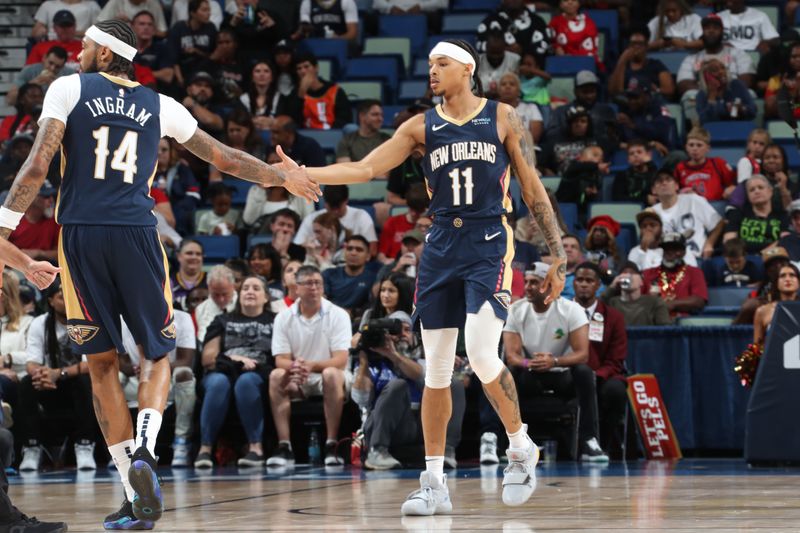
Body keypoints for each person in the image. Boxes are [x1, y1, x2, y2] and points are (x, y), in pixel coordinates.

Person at [0, 19, 318, 530]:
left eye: (85, 47)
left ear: (105, 54)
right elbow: (225, 157)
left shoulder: (67, 87)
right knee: (157, 354)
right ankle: (146, 448)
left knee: (101, 364)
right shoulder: (161, 105)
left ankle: (132, 486)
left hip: (79, 237)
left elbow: (38, 164)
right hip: (137, 235)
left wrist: (3, 229)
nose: (78, 54)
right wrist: (282, 176)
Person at [278, 38, 567, 514]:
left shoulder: (502, 116)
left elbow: (531, 183)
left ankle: (520, 446)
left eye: (442, 63)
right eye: (430, 63)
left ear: (467, 69)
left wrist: (557, 254)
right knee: (435, 367)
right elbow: (367, 166)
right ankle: (433, 481)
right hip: (440, 247)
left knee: (478, 349)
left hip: (489, 240)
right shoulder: (420, 126)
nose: (432, 70)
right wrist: (306, 172)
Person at [502, 263, 608, 462]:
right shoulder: (516, 310)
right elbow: (512, 355)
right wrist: (528, 363)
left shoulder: (571, 310)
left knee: (584, 372)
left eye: (534, 282)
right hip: (531, 372)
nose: (527, 287)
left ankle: (589, 440)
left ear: (549, 285)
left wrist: (555, 361)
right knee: (508, 373)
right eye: (526, 282)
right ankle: (508, 443)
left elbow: (582, 354)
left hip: (562, 373)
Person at [267, 265, 353, 467]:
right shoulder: (283, 317)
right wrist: (297, 366)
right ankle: (284, 446)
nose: (314, 287)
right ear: (297, 288)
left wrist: (312, 365)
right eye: (308, 283)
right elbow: (281, 359)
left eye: (318, 283)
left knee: (331, 374)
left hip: (331, 376)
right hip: (300, 375)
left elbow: (341, 359)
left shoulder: (339, 314)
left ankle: (332, 444)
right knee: (276, 375)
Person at [194, 276, 275, 468]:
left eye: (256, 288)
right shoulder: (222, 320)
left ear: (266, 297)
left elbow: (279, 358)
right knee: (218, 383)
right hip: (221, 372)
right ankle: (204, 450)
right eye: (246, 287)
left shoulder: (276, 321)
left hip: (259, 373)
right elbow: (208, 359)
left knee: (246, 382)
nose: (249, 291)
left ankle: (256, 449)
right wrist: (236, 360)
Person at [18, 279, 97, 472]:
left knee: (84, 380)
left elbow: (92, 364)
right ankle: (32, 446)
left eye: (72, 296)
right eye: (62, 297)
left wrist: (58, 373)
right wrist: (41, 375)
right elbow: (31, 362)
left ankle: (84, 444)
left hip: (77, 385)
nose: (68, 301)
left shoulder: (87, 321)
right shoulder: (40, 323)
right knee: (27, 382)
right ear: (51, 301)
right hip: (51, 386)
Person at [572, 262, 629, 454]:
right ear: (573, 284)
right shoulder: (560, 312)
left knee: (616, 390)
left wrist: (597, 375)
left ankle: (602, 444)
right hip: (569, 375)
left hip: (601, 376)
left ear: (598, 286)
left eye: (589, 280)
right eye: (580, 280)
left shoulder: (614, 317)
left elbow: (616, 359)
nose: (584, 284)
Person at [651, 167, 724, 259]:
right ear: (653, 190)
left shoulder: (693, 200)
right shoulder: (652, 213)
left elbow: (719, 223)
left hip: (695, 258)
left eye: (668, 179)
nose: (664, 183)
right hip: (665, 263)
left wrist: (709, 244)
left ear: (676, 186)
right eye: (659, 181)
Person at [642, 233, 708, 317]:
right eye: (666, 249)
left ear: (683, 252)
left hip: (681, 324)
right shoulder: (648, 273)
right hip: (652, 321)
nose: (670, 253)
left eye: (675, 249)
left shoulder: (694, 272)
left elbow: (699, 300)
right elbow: (636, 298)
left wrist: (672, 304)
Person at [723, 175, 790, 254]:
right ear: (748, 196)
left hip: (772, 257)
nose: (756, 191)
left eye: (760, 187)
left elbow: (785, 241)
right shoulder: (738, 213)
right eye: (752, 190)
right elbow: (729, 240)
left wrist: (762, 254)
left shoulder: (781, 215)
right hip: (743, 258)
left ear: (770, 191)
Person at [609, 26, 676, 100]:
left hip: (651, 103)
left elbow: (670, 90)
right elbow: (615, 91)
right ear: (628, 45)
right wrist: (622, 60)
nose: (636, 47)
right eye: (633, 44)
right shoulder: (622, 66)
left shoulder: (656, 65)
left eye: (640, 44)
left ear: (646, 46)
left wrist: (657, 90)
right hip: (627, 104)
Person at [323, 235, 380, 317]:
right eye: (349, 249)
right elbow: (321, 299)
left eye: (359, 250)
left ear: (368, 256)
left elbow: (371, 307)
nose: (353, 253)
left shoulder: (373, 279)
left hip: (356, 322)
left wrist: (352, 313)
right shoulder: (329, 274)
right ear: (344, 252)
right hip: (328, 317)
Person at [674, 126, 736, 201]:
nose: (694, 149)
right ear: (686, 147)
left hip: (716, 208)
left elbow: (735, 184)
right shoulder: (680, 167)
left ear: (708, 148)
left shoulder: (718, 163)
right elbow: (674, 191)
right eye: (691, 145)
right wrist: (682, 193)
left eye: (699, 145)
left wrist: (732, 188)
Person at [603, 263, 672, 326]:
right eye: (624, 273)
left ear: (641, 281)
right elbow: (596, 310)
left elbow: (665, 330)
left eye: (632, 273)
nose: (628, 276)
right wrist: (612, 286)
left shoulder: (654, 302)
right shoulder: (612, 303)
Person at [628, 209, 698, 271]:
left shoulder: (678, 248)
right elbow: (634, 276)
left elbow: (693, 272)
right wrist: (643, 248)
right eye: (644, 226)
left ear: (661, 228)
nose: (648, 229)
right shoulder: (634, 252)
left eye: (652, 225)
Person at [695, 59, 756, 124]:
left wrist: (742, 109)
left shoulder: (737, 85)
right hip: (714, 131)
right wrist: (711, 98)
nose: (721, 72)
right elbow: (705, 121)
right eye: (715, 70)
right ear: (707, 76)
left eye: (723, 68)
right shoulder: (702, 95)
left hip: (739, 127)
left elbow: (753, 110)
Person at [753, 263, 800, 343]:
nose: (787, 279)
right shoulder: (762, 311)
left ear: (799, 282)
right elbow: (756, 348)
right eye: (782, 276)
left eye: (792, 275)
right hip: (773, 355)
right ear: (777, 283)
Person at [336, 100, 391, 164]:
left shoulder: (386, 140)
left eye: (381, 115)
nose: (380, 119)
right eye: (375, 115)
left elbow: (384, 171)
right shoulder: (347, 140)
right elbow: (344, 169)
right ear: (362, 116)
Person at [196, 265, 239, 342]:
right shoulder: (201, 309)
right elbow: (201, 339)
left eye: (225, 294)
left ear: (233, 286)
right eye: (216, 294)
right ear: (209, 287)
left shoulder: (244, 304)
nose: (221, 299)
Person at [612, 139, 658, 204]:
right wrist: (644, 199)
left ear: (649, 155)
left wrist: (650, 163)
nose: (635, 155)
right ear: (628, 159)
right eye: (631, 154)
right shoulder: (622, 175)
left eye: (639, 152)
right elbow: (617, 198)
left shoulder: (655, 173)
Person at [170, 239, 206, 311]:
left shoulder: (210, 281)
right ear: (178, 256)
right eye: (189, 253)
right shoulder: (169, 282)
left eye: (198, 254)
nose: (194, 257)